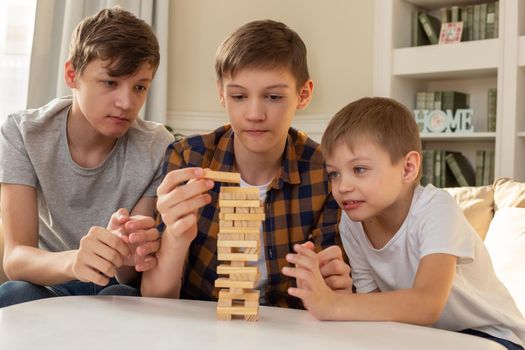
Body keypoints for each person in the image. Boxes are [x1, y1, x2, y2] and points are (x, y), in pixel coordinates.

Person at [282, 97, 525, 349]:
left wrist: (333, 305)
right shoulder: (352, 224)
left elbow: (428, 304)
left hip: (490, 336)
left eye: (360, 169)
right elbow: (376, 309)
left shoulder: (436, 209)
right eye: (334, 173)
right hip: (424, 336)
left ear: (408, 168)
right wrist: (332, 292)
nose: (342, 187)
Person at [141, 19, 351, 307]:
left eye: (273, 97)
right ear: (221, 94)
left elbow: (328, 290)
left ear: (303, 94)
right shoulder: (188, 158)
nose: (254, 113)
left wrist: (334, 286)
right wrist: (176, 236)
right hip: (200, 324)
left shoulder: (323, 169)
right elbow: (156, 297)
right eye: (238, 96)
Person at [0, 7, 174, 307]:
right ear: (72, 74)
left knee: (128, 302)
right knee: (15, 294)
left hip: (114, 287)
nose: (126, 102)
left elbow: (130, 276)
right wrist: (75, 262)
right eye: (110, 82)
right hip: (49, 280)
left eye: (140, 87)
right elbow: (16, 259)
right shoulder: (23, 132)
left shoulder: (157, 145)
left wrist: (127, 252)